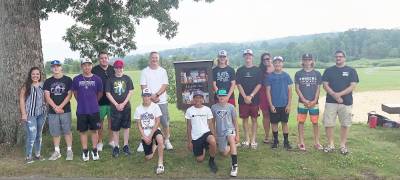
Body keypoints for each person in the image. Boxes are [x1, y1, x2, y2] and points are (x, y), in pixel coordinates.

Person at [321, 50, 359, 155]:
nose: (338, 58)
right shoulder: (329, 70)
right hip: (330, 102)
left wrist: (339, 94)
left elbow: (352, 86)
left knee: (345, 124)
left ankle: (342, 145)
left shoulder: (351, 71)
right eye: (336, 56)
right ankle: (331, 145)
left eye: (340, 56)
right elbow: (325, 85)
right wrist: (334, 95)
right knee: (328, 124)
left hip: (346, 102)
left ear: (344, 58)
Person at [139, 51, 173, 152]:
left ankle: (166, 140)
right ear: (150, 59)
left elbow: (165, 85)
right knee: (146, 123)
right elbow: (143, 86)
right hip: (148, 101)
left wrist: (157, 95)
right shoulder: (144, 71)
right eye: (153, 58)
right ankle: (144, 141)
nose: (154, 60)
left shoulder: (163, 71)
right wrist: (150, 97)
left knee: (164, 122)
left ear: (158, 59)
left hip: (161, 100)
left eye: (156, 58)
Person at [72, 58, 103, 161]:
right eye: (84, 65)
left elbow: (100, 93)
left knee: (95, 131)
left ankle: (94, 149)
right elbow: (75, 93)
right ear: (81, 66)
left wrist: (93, 102)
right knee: (83, 131)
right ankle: (85, 150)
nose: (87, 67)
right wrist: (82, 101)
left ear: (91, 66)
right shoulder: (76, 79)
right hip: (81, 110)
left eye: (89, 65)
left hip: (94, 110)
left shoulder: (97, 79)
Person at [44, 60, 74, 161]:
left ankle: (69, 150)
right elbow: (47, 97)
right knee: (55, 131)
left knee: (67, 130)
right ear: (51, 68)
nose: (56, 68)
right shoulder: (48, 81)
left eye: (58, 66)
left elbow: (69, 95)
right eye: (53, 66)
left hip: (65, 110)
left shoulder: (68, 80)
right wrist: (55, 108)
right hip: (53, 111)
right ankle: (57, 151)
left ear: (61, 67)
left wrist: (60, 107)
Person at [105, 60, 134, 157]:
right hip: (114, 108)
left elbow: (130, 91)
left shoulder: (127, 78)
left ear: (123, 68)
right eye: (117, 67)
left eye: (120, 67)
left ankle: (126, 145)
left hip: (126, 107)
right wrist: (116, 104)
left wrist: (123, 103)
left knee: (126, 127)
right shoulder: (110, 79)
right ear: (114, 68)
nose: (119, 69)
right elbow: (108, 93)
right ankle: (116, 146)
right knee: (115, 128)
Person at [294, 54, 323, 151]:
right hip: (302, 102)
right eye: (305, 59)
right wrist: (304, 100)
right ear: (302, 61)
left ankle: (317, 142)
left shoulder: (317, 73)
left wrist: (315, 100)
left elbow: (318, 88)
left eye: (309, 59)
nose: (307, 61)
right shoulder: (298, 73)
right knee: (301, 122)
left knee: (315, 122)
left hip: (314, 103)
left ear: (312, 61)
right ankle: (301, 142)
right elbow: (297, 88)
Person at [236, 49, 263, 149]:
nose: (248, 57)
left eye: (250, 55)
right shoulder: (240, 70)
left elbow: (259, 84)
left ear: (252, 57)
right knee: (245, 119)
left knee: (255, 119)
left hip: (255, 99)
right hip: (243, 99)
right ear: (244, 57)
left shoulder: (257, 70)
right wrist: (245, 97)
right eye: (246, 55)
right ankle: (247, 139)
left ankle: (253, 140)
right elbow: (238, 84)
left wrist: (251, 96)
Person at [185, 91, 218, 173]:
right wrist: (189, 142)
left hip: (206, 133)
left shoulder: (207, 109)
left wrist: (214, 136)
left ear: (203, 99)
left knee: (213, 141)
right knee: (199, 159)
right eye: (196, 97)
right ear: (193, 99)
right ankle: (204, 147)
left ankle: (212, 160)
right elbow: (189, 127)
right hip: (196, 136)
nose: (198, 99)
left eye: (200, 97)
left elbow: (210, 124)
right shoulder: (189, 110)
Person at [134, 88, 165, 174]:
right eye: (144, 95)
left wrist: (151, 135)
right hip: (145, 133)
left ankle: (160, 163)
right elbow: (139, 125)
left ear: (150, 96)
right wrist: (144, 136)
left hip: (154, 130)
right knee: (148, 157)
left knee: (160, 139)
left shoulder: (155, 106)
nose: (146, 97)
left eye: (148, 95)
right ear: (142, 96)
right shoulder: (138, 109)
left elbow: (158, 122)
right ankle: (155, 146)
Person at [19, 67, 46, 164]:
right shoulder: (26, 86)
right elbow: (22, 100)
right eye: (33, 74)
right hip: (30, 115)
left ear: (40, 75)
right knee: (32, 135)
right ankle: (28, 156)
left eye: (37, 74)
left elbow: (46, 98)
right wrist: (23, 114)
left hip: (41, 114)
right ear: (30, 75)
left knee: (39, 135)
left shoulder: (43, 85)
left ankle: (37, 154)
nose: (35, 76)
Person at [266, 56, 293, 150]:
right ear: (273, 64)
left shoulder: (286, 76)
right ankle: (276, 141)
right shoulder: (270, 76)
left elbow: (290, 91)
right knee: (274, 123)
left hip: (284, 105)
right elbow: (268, 91)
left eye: (279, 62)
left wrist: (289, 104)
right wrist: (271, 105)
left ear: (282, 64)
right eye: (276, 62)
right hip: (274, 105)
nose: (277, 64)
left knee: (284, 123)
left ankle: (286, 142)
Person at [211, 89, 239, 177]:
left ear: (227, 97)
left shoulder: (231, 107)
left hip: (229, 129)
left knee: (231, 138)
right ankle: (232, 145)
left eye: (224, 96)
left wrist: (237, 134)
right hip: (220, 132)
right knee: (223, 152)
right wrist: (214, 134)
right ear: (217, 97)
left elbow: (235, 121)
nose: (221, 97)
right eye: (220, 96)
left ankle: (234, 165)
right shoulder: (214, 107)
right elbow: (212, 122)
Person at [92, 51, 115, 150]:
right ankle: (100, 142)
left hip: (111, 101)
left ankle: (111, 141)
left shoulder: (112, 69)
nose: (104, 60)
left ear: (108, 59)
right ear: (99, 59)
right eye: (101, 58)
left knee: (111, 123)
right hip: (99, 102)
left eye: (105, 58)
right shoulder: (94, 70)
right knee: (99, 123)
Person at [258, 52, 274, 144]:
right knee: (266, 115)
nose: (266, 61)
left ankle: (274, 135)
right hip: (263, 94)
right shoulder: (260, 70)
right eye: (264, 59)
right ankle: (267, 135)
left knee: (275, 115)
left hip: (274, 94)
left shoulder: (276, 68)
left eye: (268, 58)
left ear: (270, 59)